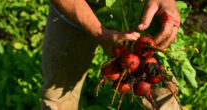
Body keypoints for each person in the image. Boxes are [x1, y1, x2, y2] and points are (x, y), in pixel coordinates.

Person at [41, 0, 181, 109]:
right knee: (58, 89)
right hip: (74, 7)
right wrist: (98, 32)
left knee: (162, 87)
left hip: (141, 7)